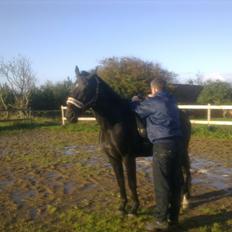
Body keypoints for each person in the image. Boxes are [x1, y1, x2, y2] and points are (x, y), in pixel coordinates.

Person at [132, 78, 183, 230]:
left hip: (162, 145)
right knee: (175, 183)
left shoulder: (152, 102)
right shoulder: (172, 100)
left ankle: (160, 220)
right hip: (178, 144)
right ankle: (173, 219)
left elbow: (136, 110)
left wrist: (135, 100)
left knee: (162, 185)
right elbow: (161, 102)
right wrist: (150, 98)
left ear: (153, 89)